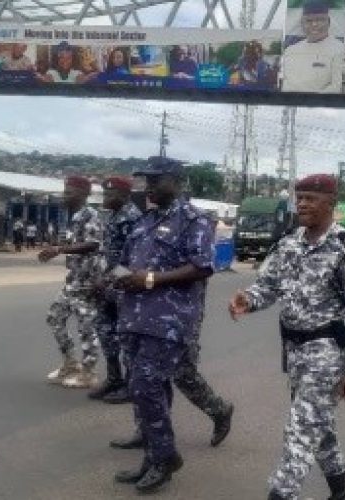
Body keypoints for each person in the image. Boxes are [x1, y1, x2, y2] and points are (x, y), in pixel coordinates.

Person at [229, 173, 345, 500]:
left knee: (300, 432)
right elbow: (268, 287)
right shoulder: (288, 243)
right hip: (294, 350)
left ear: (330, 204)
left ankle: (281, 494)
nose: (303, 204)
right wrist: (248, 300)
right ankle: (342, 492)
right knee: (318, 426)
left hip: (326, 352)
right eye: (300, 197)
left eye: (311, 198)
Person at [108, 157, 222, 494]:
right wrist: (113, 280)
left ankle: (165, 458)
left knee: (145, 385)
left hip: (168, 321)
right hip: (135, 317)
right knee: (148, 389)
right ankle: (152, 457)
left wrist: (151, 279)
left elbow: (202, 266)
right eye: (146, 181)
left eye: (157, 180)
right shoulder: (146, 221)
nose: (150, 186)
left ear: (176, 180)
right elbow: (128, 263)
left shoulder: (194, 220)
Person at [38, 176, 102, 389]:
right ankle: (70, 363)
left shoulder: (90, 214)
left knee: (86, 327)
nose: (65, 196)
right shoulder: (73, 217)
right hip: (73, 280)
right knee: (54, 317)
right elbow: (76, 244)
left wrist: (59, 249)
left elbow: (93, 244)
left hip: (87, 282)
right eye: (65, 191)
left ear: (83, 194)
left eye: (69, 192)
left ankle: (89, 373)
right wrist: (58, 247)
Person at [88, 176, 143, 404]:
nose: (106, 198)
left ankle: (132, 386)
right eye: (105, 194)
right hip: (110, 286)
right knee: (105, 331)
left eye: (110, 195)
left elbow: (135, 260)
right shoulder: (113, 216)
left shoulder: (133, 219)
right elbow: (108, 253)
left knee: (127, 337)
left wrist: (108, 279)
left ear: (124, 196)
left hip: (126, 287)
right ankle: (114, 378)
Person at [282, 1, 344, 93]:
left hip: (318, 104)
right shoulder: (289, 50)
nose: (314, 24)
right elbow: (282, 82)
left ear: (329, 23)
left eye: (320, 20)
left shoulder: (339, 49)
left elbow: (336, 87)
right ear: (302, 24)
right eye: (309, 21)